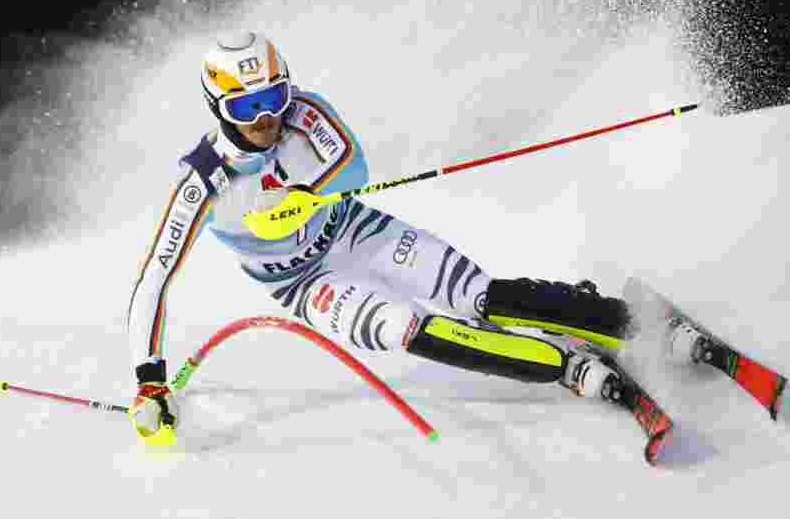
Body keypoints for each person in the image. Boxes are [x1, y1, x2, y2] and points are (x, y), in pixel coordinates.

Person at [126, 32, 632, 443]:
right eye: (246, 107)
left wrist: (307, 194)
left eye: (273, 98)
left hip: (355, 230)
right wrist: (150, 379)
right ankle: (561, 365)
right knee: (404, 327)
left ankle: (618, 321)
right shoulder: (201, 183)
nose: (266, 119)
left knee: (475, 293)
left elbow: (355, 164)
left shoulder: (306, 112)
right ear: (217, 107)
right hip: (306, 284)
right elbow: (155, 278)